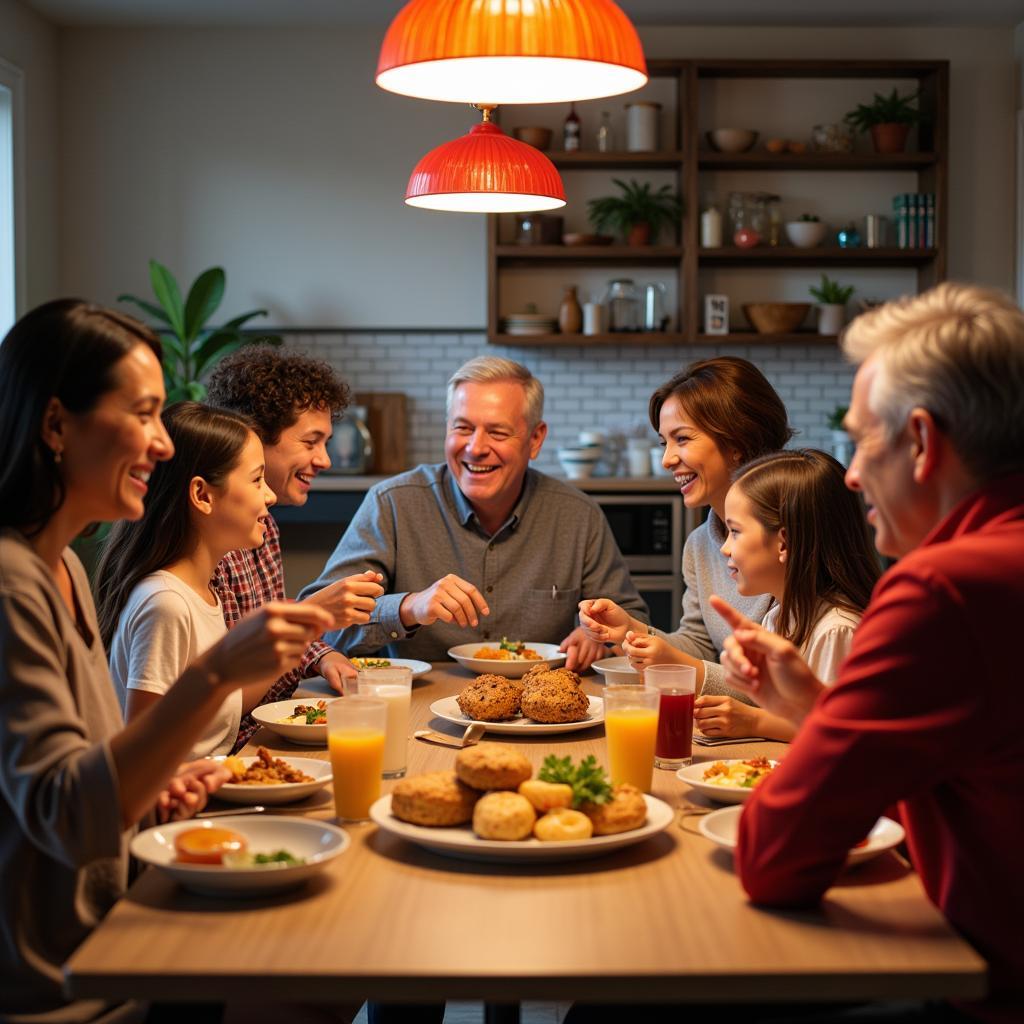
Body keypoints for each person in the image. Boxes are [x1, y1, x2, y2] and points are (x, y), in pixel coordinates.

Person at [0, 300, 332, 1023]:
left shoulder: (62, 571)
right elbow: (65, 814)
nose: (160, 444)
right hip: (63, 985)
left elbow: (96, 769)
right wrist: (215, 675)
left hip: (109, 938)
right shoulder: (11, 582)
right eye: (144, 414)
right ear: (57, 425)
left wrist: (159, 783)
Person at [713, 283, 1024, 1022]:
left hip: (985, 985)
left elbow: (774, 860)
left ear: (920, 441)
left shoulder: (942, 589)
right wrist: (820, 711)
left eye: (861, 438)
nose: (850, 474)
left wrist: (818, 729)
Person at [300, 355, 647, 671]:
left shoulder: (577, 515)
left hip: (543, 711)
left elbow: (630, 619)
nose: (475, 448)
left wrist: (599, 636)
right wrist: (409, 608)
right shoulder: (392, 504)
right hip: (421, 712)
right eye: (462, 428)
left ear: (536, 439)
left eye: (497, 432)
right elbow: (318, 628)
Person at [579, 357, 792, 699]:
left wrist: (684, 668)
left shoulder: (789, 538)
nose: (666, 460)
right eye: (665, 442)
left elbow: (792, 686)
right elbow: (700, 645)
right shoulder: (700, 545)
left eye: (682, 439)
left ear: (737, 442)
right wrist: (630, 630)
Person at [205, 347, 384, 749]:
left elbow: (266, 618)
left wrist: (321, 654)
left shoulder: (262, 524)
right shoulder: (206, 542)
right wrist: (312, 617)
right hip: (234, 753)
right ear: (251, 437)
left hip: (266, 735)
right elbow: (220, 700)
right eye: (310, 442)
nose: (324, 460)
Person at [97, 402, 284, 758]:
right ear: (202, 495)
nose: (270, 495)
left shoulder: (203, 593)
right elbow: (143, 756)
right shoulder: (166, 604)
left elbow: (223, 709)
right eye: (257, 479)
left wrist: (289, 648)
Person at [694, 448, 878, 741]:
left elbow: (836, 735)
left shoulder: (837, 630)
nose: (725, 548)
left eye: (736, 532)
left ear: (783, 543)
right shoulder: (780, 615)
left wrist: (753, 722)